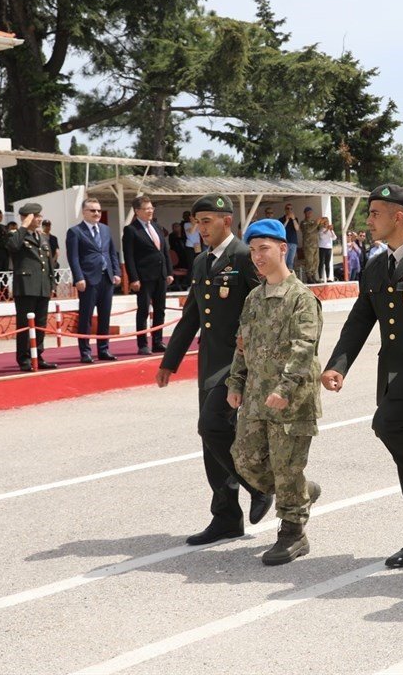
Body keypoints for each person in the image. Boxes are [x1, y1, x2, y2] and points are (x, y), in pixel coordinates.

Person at [321, 184, 403, 569]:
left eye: (375, 213)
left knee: (387, 424)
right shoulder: (376, 265)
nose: (369, 220)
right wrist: (337, 365)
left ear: (399, 216)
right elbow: (360, 319)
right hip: (391, 371)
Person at [158, 194, 271, 545]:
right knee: (210, 441)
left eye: (206, 221)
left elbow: (266, 308)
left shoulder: (244, 256)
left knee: (211, 425)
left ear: (227, 221)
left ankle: (259, 484)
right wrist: (169, 361)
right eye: (196, 221)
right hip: (209, 364)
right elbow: (192, 315)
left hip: (239, 365)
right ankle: (225, 517)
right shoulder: (202, 262)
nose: (199, 228)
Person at [226, 218, 324, 565]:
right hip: (255, 397)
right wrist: (235, 384)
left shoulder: (301, 298)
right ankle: (300, 491)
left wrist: (284, 388)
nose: (257, 256)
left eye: (263, 249)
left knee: (286, 465)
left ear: (283, 249)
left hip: (292, 401)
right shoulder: (254, 298)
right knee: (245, 460)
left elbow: (304, 347)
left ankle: (293, 533)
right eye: (252, 250)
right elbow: (242, 346)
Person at [66, 198, 122, 363]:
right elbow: (73, 257)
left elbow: (112, 252)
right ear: (84, 212)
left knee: (105, 316)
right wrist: (79, 277)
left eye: (98, 210)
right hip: (88, 280)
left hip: (107, 278)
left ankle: (104, 349)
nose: (96, 213)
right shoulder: (75, 232)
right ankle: (85, 352)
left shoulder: (105, 229)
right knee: (86, 317)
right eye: (92, 210)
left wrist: (116, 272)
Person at [6, 203, 57, 372]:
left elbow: (48, 263)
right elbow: (12, 247)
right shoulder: (16, 235)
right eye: (36, 215)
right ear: (26, 217)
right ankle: (24, 358)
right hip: (26, 287)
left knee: (40, 323)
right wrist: (23, 226)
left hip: (42, 286)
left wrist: (52, 284)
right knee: (25, 325)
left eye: (39, 215)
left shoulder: (41, 237)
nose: (40, 218)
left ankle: (38, 354)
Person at [122, 195, 173, 355]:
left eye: (151, 208)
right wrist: (133, 278)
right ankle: (142, 344)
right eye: (147, 208)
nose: (150, 211)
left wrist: (169, 272)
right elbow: (128, 256)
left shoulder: (157, 227)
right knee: (143, 310)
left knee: (160, 309)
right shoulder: (131, 230)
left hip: (160, 275)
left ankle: (158, 341)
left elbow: (164, 251)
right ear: (137, 211)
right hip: (144, 277)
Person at [300, 206, 319, 283]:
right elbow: (308, 230)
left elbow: (318, 229)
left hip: (315, 244)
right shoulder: (303, 223)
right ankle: (309, 277)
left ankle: (314, 276)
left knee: (316, 261)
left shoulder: (313, 222)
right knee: (309, 261)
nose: (310, 214)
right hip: (308, 245)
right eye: (308, 212)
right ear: (305, 213)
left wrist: (323, 223)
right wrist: (316, 223)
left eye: (311, 212)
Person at [281, 203, 300, 271]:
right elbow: (281, 229)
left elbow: (297, 228)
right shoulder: (281, 219)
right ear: (285, 210)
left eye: (291, 209)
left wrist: (293, 219)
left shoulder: (295, 219)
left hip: (293, 243)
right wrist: (286, 220)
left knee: (290, 262)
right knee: (284, 261)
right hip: (285, 242)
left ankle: (290, 277)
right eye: (288, 208)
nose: (289, 210)